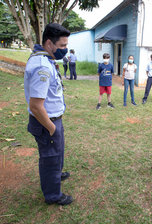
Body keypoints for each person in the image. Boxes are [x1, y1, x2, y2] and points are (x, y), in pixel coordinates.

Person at [24, 23, 73, 205]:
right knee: (50, 157)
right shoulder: (41, 66)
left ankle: (56, 176)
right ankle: (53, 196)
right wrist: (52, 128)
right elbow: (36, 106)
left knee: (56, 153)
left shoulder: (46, 59)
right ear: (49, 44)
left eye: (66, 45)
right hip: (46, 122)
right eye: (61, 46)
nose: (65, 50)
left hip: (52, 119)